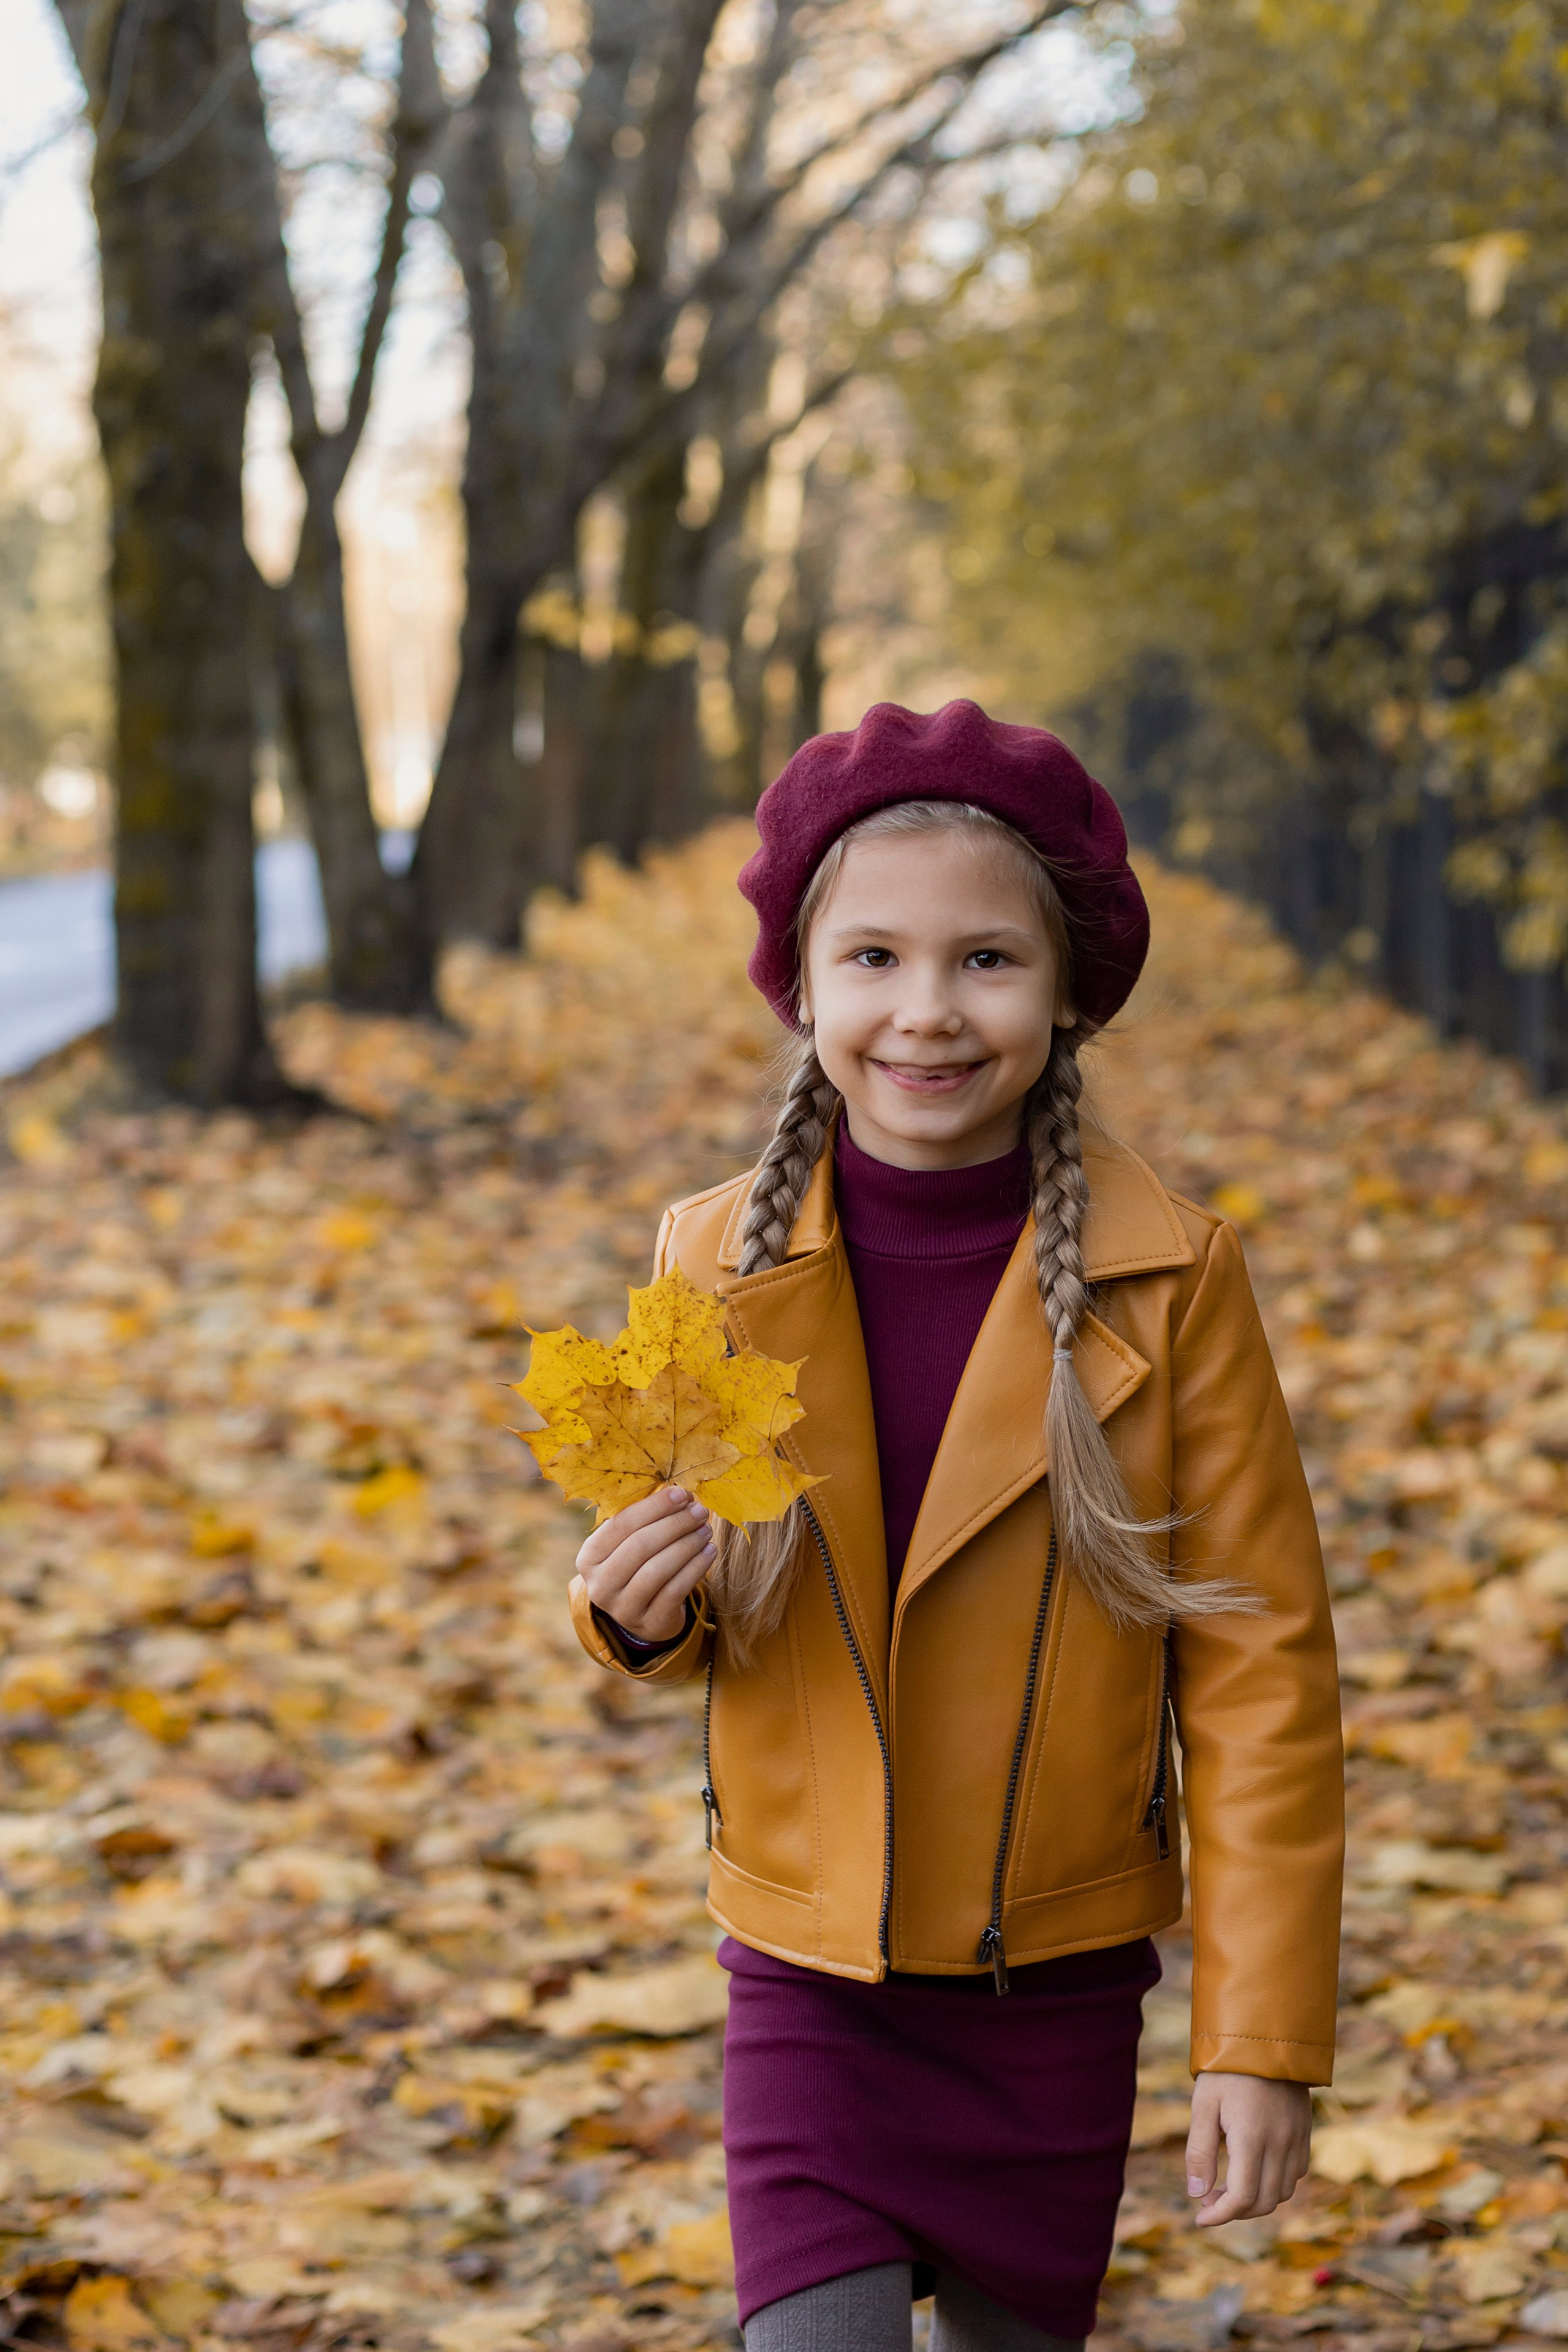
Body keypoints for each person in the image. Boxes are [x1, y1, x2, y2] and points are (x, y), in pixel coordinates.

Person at [567, 699, 1344, 2352]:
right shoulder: (706, 1262)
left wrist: (1258, 2036)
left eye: (986, 962)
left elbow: (1263, 1674)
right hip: (806, 1979)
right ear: (804, 986)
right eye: (874, 961)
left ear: (1070, 995)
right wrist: (638, 1614)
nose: (926, 1013)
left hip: (1047, 1994)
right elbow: (700, 1591)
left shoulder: (1173, 1280)